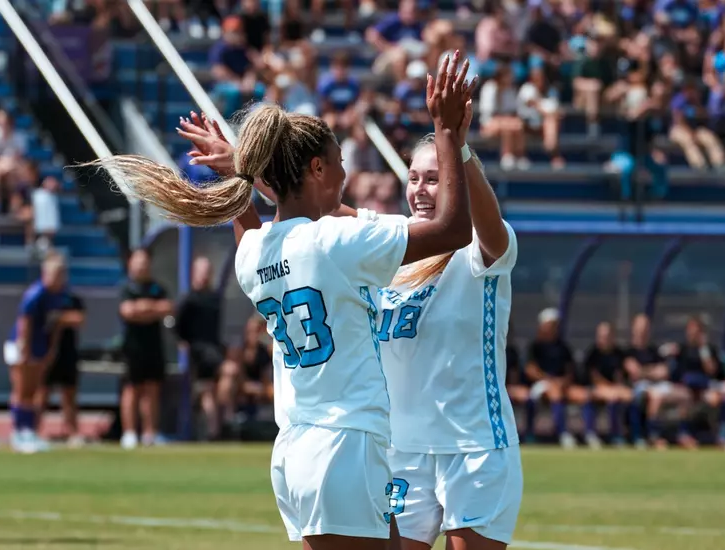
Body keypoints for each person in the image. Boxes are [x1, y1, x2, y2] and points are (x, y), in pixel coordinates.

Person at [92, 51, 476, 550]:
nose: (344, 176)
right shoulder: (336, 242)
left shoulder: (254, 252)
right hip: (344, 444)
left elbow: (253, 220)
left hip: (299, 448)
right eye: (337, 164)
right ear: (316, 167)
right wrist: (447, 133)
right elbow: (453, 230)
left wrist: (240, 173)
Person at [360, 98, 524, 547]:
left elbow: (491, 232)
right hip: (402, 450)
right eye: (413, 178)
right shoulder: (391, 249)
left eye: (433, 178)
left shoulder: (476, 247)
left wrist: (458, 145)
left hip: (473, 446)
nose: (420, 190)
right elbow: (326, 220)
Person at [4, 253, 71, 453]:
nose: (58, 278)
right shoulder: (36, 293)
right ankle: (18, 432)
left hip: (40, 346)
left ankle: (29, 431)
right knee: (21, 390)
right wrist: (24, 349)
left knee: (34, 391)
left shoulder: (60, 294)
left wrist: (51, 348)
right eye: (54, 273)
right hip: (22, 345)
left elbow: (56, 323)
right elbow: (25, 321)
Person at [118, 249, 173, 449]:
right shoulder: (126, 288)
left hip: (153, 345)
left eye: (145, 262)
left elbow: (166, 308)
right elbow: (127, 311)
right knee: (132, 388)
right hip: (132, 347)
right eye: (138, 261)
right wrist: (151, 309)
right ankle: (130, 433)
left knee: (152, 389)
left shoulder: (157, 288)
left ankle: (151, 433)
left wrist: (142, 308)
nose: (142, 265)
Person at [625, 314, 696, 450]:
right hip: (640, 387)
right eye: (640, 328)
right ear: (634, 329)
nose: (643, 331)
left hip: (658, 384)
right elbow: (635, 372)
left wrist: (645, 371)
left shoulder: (653, 350)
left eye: (645, 328)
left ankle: (683, 434)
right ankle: (654, 435)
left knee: (685, 395)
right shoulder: (629, 351)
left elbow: (664, 371)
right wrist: (652, 372)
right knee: (656, 396)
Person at [174, 256, 226, 440]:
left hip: (215, 351)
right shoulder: (188, 300)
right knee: (207, 389)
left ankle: (216, 427)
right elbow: (178, 328)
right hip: (200, 354)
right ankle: (214, 430)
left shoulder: (214, 299)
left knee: (212, 389)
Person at [670, 316, 725, 450]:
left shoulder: (709, 350)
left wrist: (703, 350)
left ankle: (722, 437)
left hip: (705, 389)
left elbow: (713, 371)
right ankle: (684, 435)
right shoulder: (681, 350)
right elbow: (676, 375)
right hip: (686, 390)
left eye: (697, 331)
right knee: (684, 398)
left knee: (721, 398)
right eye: (691, 330)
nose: (693, 334)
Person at [523, 308, 583, 448]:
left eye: (556, 324)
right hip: (540, 385)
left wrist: (563, 381)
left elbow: (570, 370)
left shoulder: (563, 347)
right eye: (551, 324)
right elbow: (530, 370)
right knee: (554, 391)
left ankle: (590, 434)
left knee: (584, 395)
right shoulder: (535, 346)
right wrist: (547, 379)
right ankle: (562, 433)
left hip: (561, 385)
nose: (554, 327)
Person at [35, 286, 85, 447]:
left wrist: (57, 318)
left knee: (69, 393)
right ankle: (33, 431)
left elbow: (79, 318)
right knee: (42, 393)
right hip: (46, 352)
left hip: (67, 352)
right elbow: (38, 319)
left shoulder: (71, 298)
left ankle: (73, 432)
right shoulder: (41, 297)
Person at [580, 322, 643, 448]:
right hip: (597, 388)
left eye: (607, 335)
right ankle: (605, 435)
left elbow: (622, 376)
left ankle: (636, 436)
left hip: (615, 388)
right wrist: (611, 387)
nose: (604, 338)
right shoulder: (592, 354)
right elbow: (593, 378)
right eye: (601, 335)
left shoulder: (619, 353)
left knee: (631, 396)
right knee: (612, 397)